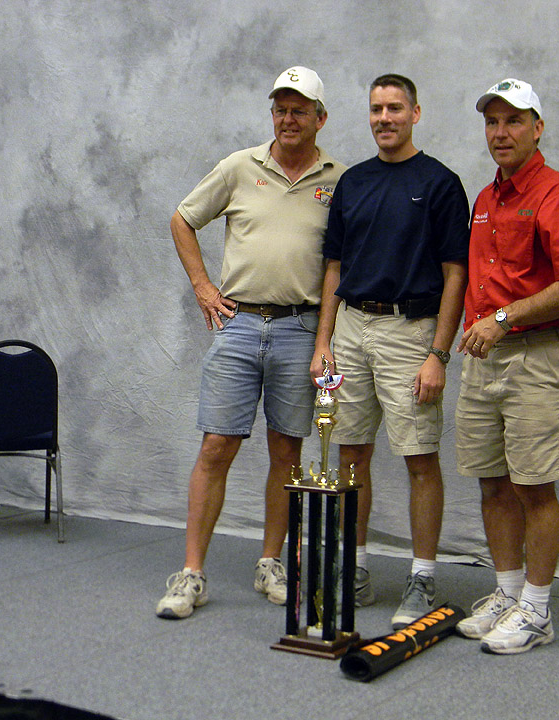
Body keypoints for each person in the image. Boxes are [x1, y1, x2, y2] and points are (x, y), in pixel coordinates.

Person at [156, 67, 347, 619]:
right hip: (239, 326)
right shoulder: (240, 167)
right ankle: (191, 573)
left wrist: (325, 338)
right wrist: (202, 286)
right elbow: (182, 218)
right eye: (280, 109)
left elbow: (337, 263)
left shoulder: (340, 180)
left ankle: (271, 561)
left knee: (287, 453)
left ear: (320, 118)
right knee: (216, 447)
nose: (289, 119)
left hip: (300, 329)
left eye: (300, 109)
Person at [313, 73, 469, 629]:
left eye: (395, 108)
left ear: (416, 113)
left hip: (412, 334)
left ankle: (422, 577)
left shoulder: (441, 183)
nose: (384, 118)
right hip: (352, 328)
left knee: (419, 458)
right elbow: (332, 267)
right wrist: (324, 342)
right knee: (351, 454)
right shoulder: (352, 183)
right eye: (376, 109)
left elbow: (457, 275)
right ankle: (352, 568)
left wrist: (438, 354)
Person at [454, 78, 559, 652]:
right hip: (483, 360)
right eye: (492, 122)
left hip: (536, 361)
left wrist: (505, 319)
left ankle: (537, 611)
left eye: (513, 121)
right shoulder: (487, 199)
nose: (501, 132)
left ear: (538, 128)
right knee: (492, 483)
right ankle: (509, 593)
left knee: (534, 487)